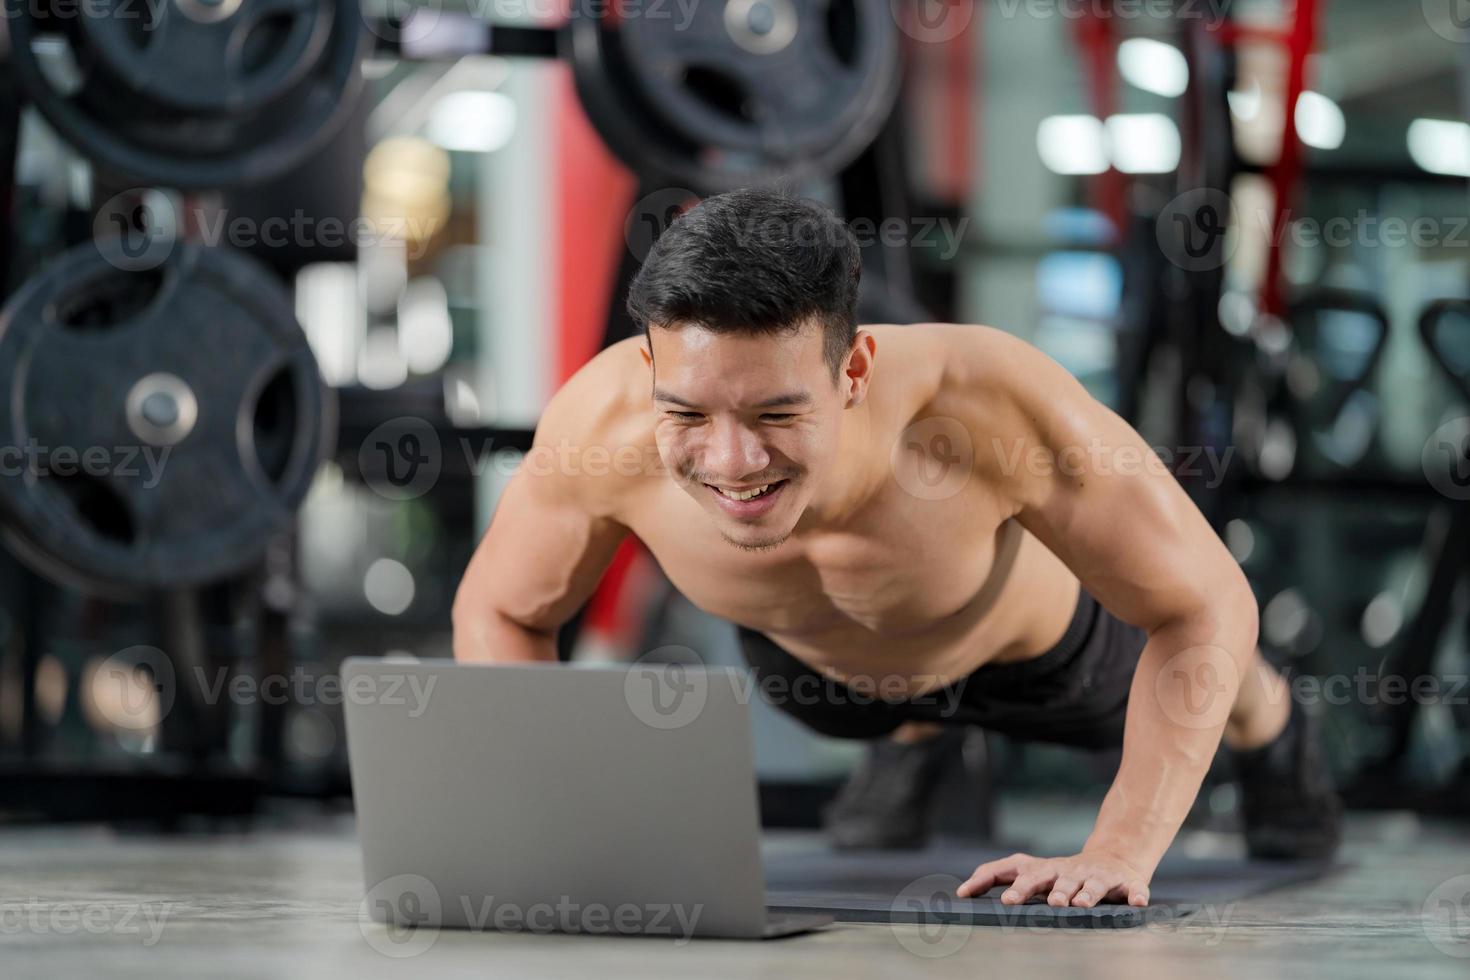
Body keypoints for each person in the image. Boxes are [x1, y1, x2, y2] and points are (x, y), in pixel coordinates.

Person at [453, 189, 1340, 910]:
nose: (730, 462)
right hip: (817, 678)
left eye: (775, 415)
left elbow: (1202, 603)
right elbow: (502, 609)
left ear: (856, 370)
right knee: (873, 676)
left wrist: (1119, 848)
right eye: (687, 414)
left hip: (1036, 659)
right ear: (649, 371)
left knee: (1230, 685)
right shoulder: (599, 427)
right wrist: (552, 827)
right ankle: (914, 733)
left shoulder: (987, 402)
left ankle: (1274, 726)